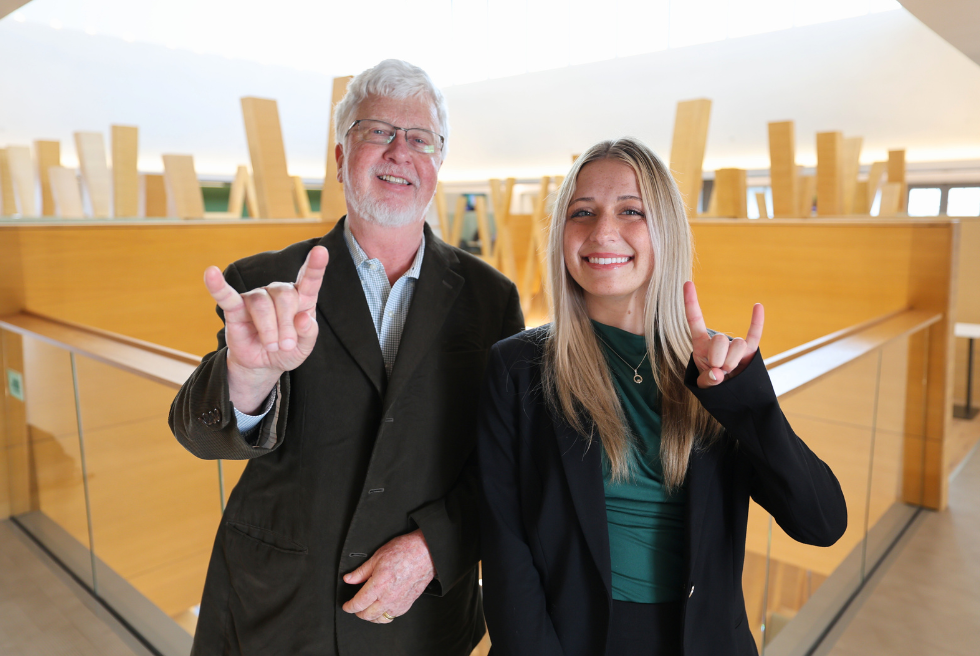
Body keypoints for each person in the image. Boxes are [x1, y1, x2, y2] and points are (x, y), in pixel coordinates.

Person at [170, 59, 524, 656]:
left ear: (438, 164)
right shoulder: (264, 282)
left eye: (420, 139)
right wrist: (250, 374)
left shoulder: (492, 300)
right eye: (377, 131)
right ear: (341, 158)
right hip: (280, 612)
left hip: (419, 619)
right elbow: (204, 438)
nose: (399, 152)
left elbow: (507, 462)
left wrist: (437, 547)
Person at [476, 137, 847, 656]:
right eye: (582, 212)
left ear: (666, 231)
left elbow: (822, 523)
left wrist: (746, 401)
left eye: (632, 211)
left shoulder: (714, 369)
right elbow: (504, 546)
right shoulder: (517, 367)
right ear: (562, 233)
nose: (603, 231)